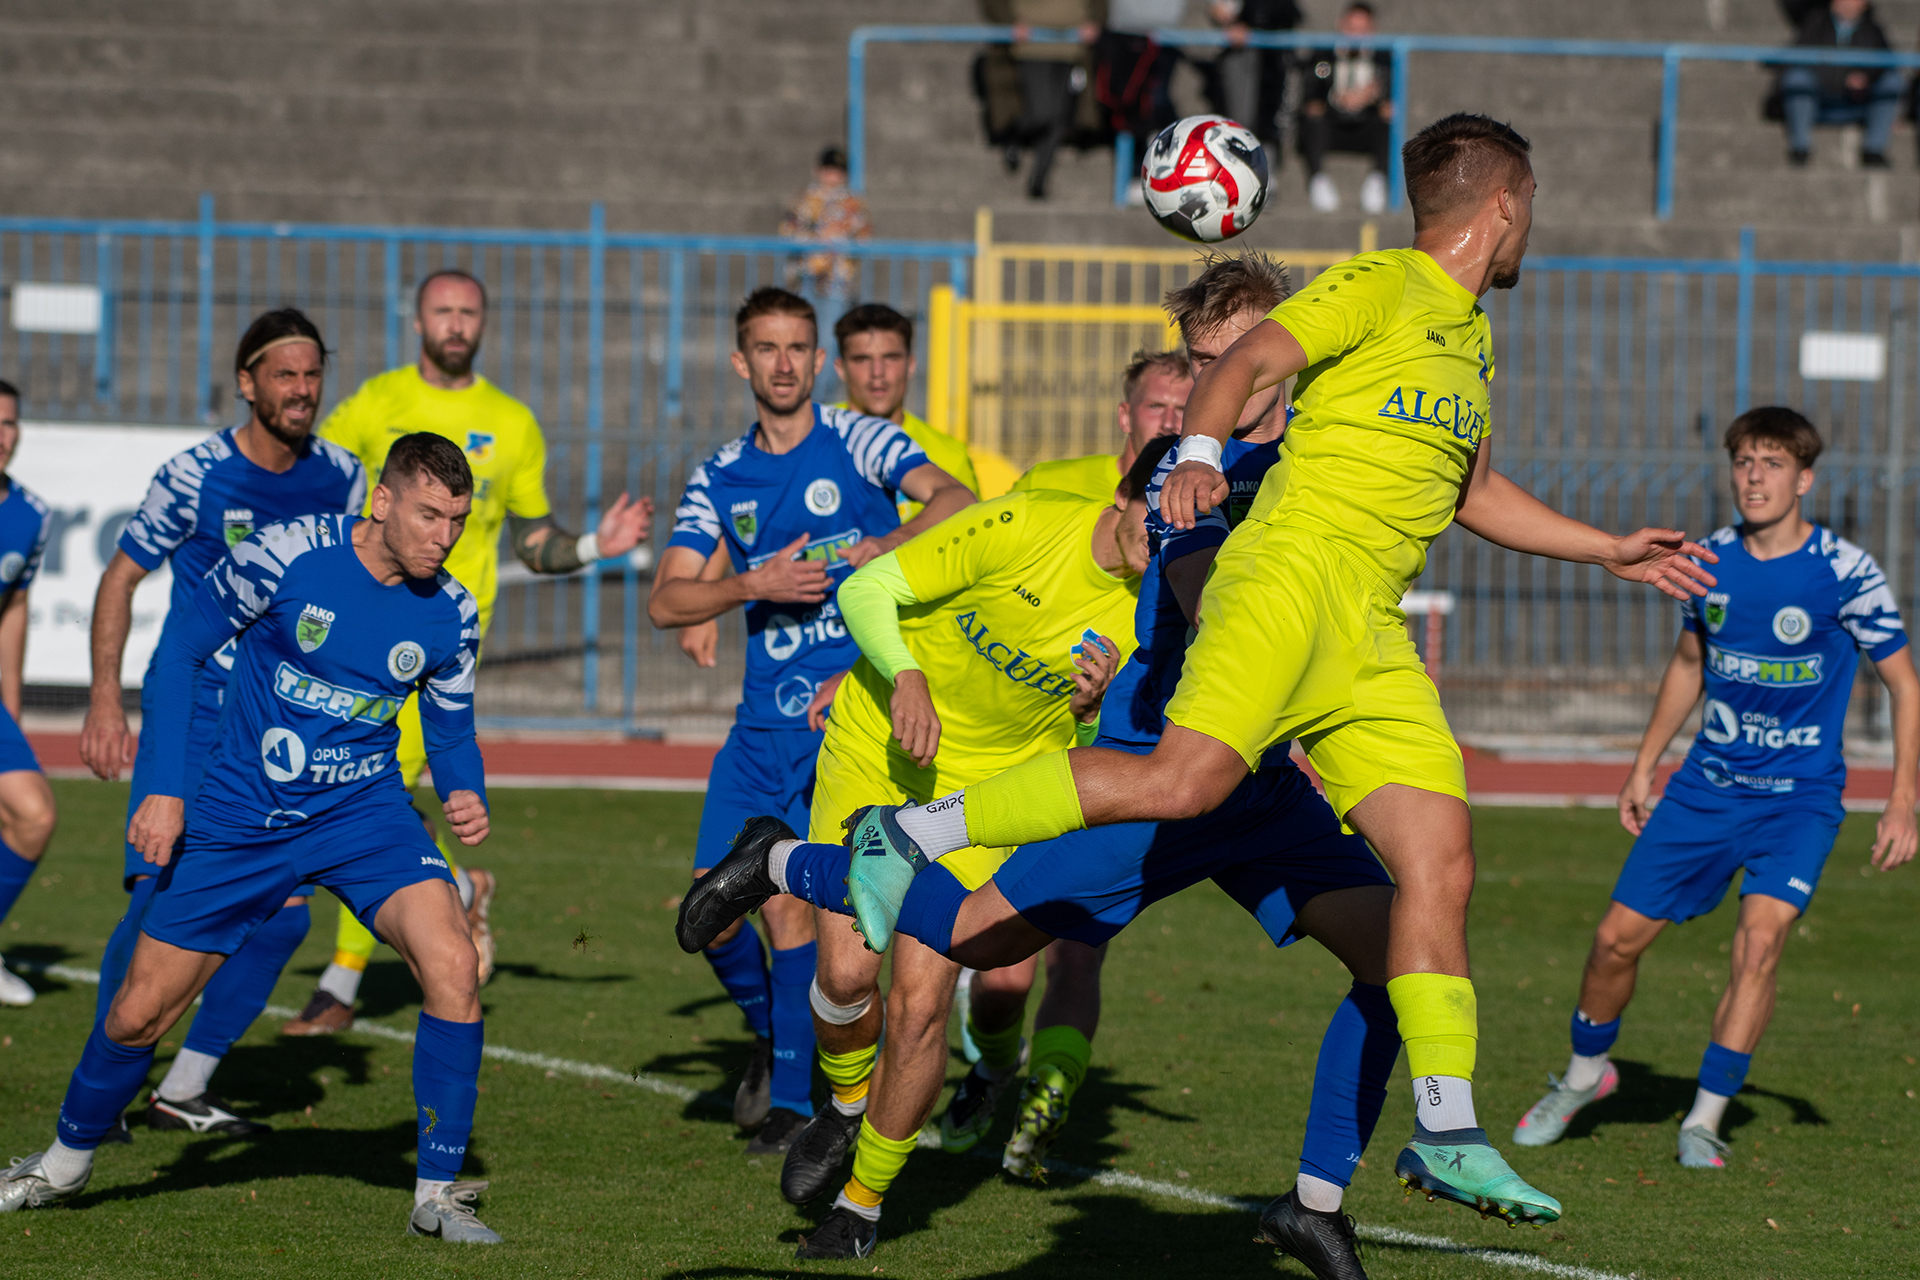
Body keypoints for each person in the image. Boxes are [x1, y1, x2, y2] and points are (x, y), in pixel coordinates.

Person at [837, 113, 1725, 1228]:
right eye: (1532, 202)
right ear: (1506, 201)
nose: (1531, 223)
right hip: (1289, 581)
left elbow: (1472, 493)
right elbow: (1253, 360)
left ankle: (1447, 1129)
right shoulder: (1383, 282)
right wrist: (1199, 455)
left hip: (1368, 626)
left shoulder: (1470, 338)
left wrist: (1606, 548)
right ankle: (903, 840)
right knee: (1173, 787)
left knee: (1439, 860)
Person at [681, 250, 1405, 1280]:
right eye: (1195, 370)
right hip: (1057, 771)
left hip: (1211, 786)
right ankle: (796, 901)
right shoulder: (1075, 509)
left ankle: (1313, 1199)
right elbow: (884, 590)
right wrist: (905, 673)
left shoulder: (1292, 473)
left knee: (1403, 950)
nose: (1205, 387)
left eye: (1227, 362)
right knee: (902, 959)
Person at [1, 434, 502, 1242]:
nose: (444, 538)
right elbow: (180, 653)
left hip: (363, 815)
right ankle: (62, 1162)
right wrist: (166, 788)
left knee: (453, 964)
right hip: (243, 819)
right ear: (382, 501)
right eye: (428, 515)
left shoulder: (451, 610)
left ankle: (437, 1195)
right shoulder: (286, 554)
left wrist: (464, 790)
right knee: (137, 1015)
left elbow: (450, 731)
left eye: (457, 521)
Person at [735, 446, 1148, 1261]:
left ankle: (860, 1206)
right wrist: (905, 675)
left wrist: (1093, 712)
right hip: (877, 748)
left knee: (921, 1004)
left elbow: (1106, 761)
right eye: (1156, 513)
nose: (1163, 536)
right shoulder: (1025, 523)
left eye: (1184, 527)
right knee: (845, 977)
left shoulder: (1154, 615)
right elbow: (866, 588)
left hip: (980, 803)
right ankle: (846, 1107)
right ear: (1126, 492)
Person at [1514, 407, 1916, 1170]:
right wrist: (1644, 764)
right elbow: (1689, 664)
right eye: (1743, 462)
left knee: (1759, 945)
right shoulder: (1707, 562)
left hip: (1798, 801)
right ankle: (1585, 1075)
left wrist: (1902, 798)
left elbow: (1904, 683)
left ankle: (1704, 1118)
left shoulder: (1846, 571)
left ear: (1805, 479)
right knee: (1613, 944)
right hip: (1705, 790)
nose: (1754, 477)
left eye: (1773, 463)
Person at [648, 287, 974, 1157]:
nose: (784, 363)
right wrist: (748, 586)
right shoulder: (721, 474)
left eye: (798, 347)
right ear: (741, 361)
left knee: (795, 915)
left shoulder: (858, 440)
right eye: (767, 348)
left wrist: (885, 546)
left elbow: (955, 498)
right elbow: (667, 600)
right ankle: (774, 1033)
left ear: (819, 360)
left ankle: (794, 1104)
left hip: (845, 722)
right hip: (761, 727)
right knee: (711, 916)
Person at [286, 267, 652, 1036]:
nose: (455, 322)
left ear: (483, 323)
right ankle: (459, 888)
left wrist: (595, 544)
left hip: (436, 654)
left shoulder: (511, 423)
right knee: (352, 798)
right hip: (355, 639)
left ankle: (340, 984)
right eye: (442, 310)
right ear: (417, 320)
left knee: (367, 797)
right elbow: (314, 482)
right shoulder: (376, 402)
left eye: (468, 312)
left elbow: (535, 539)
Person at [77, 309, 367, 1135]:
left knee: (284, 919)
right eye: (284, 375)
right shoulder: (196, 474)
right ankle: (104, 1087)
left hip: (279, 734)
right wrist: (105, 696)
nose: (302, 390)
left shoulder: (344, 478)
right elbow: (121, 577)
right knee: (157, 900)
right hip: (197, 718)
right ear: (247, 383)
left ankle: (184, 1088)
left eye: (312, 374)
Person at [0, 383, 57, 1010]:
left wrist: (11, 708)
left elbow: (12, 609)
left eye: (9, 423)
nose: (1, 435)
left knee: (34, 814)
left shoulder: (31, 514)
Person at [1012, 349, 1191, 500]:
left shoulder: (1205, 501)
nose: (1169, 423)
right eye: (1155, 407)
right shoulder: (1045, 484)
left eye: (1183, 410)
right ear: (1125, 417)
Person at [988, 0, 1104, 200]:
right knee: (1042, 112)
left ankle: (1039, 179)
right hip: (1033, 44)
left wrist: (1096, 20)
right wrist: (1008, 21)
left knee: (1060, 116)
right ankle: (1012, 133)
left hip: (1072, 46)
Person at [781, 148, 872, 398]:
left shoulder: (853, 203)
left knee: (829, 344)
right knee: (799, 342)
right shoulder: (802, 199)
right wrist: (817, 239)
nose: (832, 177)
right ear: (818, 170)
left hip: (835, 283)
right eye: (829, 170)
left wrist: (835, 242)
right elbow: (787, 233)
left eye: (838, 172)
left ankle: (819, 401)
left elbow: (863, 239)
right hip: (803, 280)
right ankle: (801, 397)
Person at [1776, 0, 1903, 166]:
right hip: (1819, 100)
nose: (1847, 3)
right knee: (1797, 79)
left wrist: (1866, 78)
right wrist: (1842, 79)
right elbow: (1795, 61)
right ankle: (1800, 149)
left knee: (1892, 82)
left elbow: (1887, 65)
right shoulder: (1815, 23)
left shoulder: (1873, 30)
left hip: (1859, 101)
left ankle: (1874, 150)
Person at [1299, 3, 1394, 215]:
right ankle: (1318, 179)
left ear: (1373, 31)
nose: (1356, 36)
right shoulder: (1322, 55)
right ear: (1340, 25)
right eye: (1351, 28)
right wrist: (1337, 99)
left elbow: (1391, 99)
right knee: (1313, 118)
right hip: (1332, 121)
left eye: (1363, 30)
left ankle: (1378, 180)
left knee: (1389, 120)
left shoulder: (1384, 59)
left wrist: (1372, 97)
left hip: (1366, 123)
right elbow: (1311, 95)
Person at [1099, 0, 1187, 206]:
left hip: (1165, 34)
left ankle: (1173, 166)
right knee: (1126, 103)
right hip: (1122, 31)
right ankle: (1137, 172)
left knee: (1156, 101)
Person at [1208, 0, 1301, 159]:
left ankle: (1265, 159)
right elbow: (1217, 12)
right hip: (1240, 58)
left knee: (1271, 120)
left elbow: (1294, 16)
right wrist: (1227, 21)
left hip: (1276, 59)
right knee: (1240, 121)